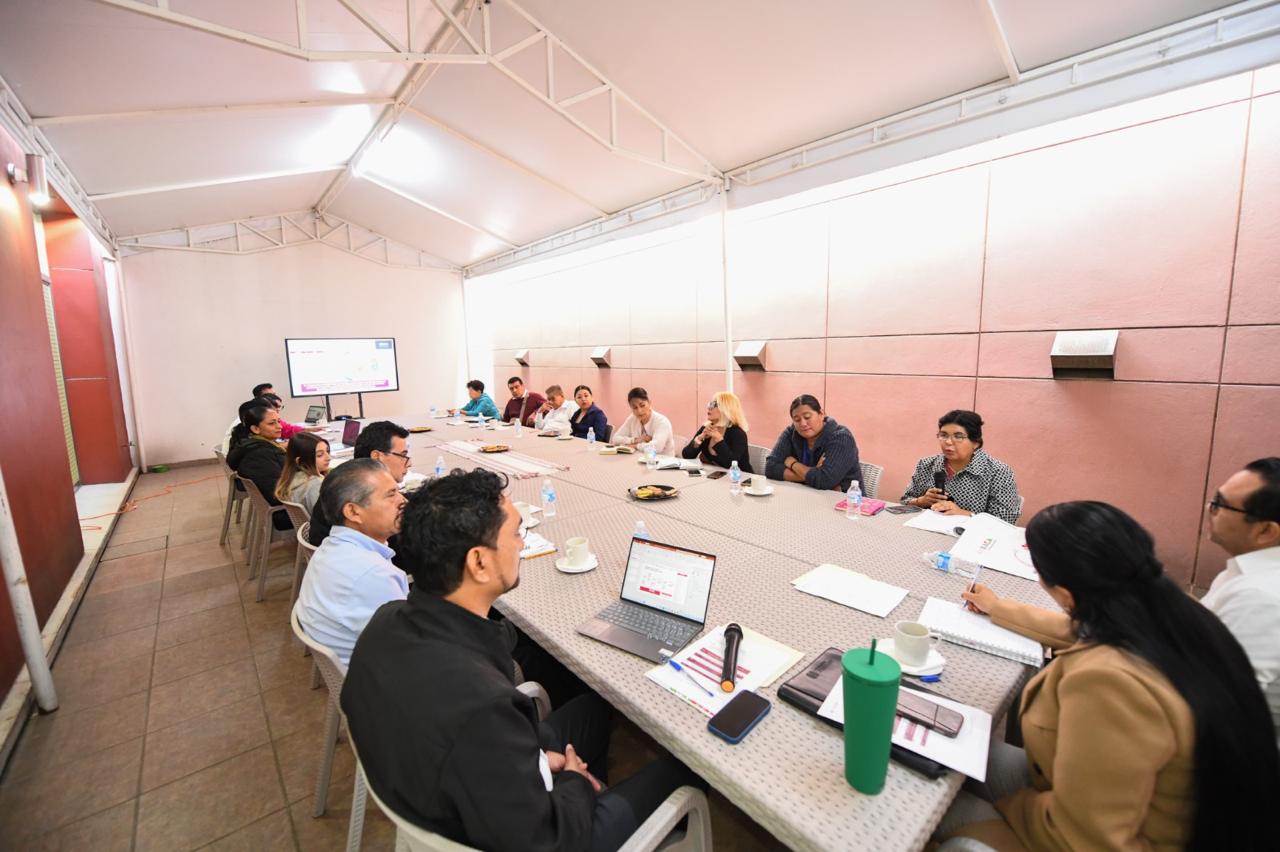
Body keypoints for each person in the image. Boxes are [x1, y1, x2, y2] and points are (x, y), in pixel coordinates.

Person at [341, 469, 705, 850]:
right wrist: (573, 783)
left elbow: (478, 751)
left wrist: (537, 760)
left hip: (468, 784)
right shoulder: (483, 706)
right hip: (544, 832)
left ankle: (597, 799)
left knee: (593, 709)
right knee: (686, 769)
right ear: (479, 562)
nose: (522, 543)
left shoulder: (384, 623)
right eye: (516, 533)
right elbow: (548, 839)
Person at [938, 501, 1279, 851]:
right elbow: (1079, 630)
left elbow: (1085, 837)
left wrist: (1004, 810)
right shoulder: (1170, 612)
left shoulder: (1107, 682)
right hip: (1125, 806)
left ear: (1065, 594)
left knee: (938, 809)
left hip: (1098, 836)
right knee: (955, 752)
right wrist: (998, 608)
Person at [295, 459, 408, 666]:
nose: (403, 501)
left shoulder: (329, 548)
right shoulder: (373, 575)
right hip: (377, 676)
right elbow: (409, 650)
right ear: (353, 512)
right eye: (391, 495)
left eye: (398, 491)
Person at [1202, 457, 1280, 746]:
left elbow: (1216, 704)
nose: (1208, 509)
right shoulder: (1246, 572)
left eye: (1219, 504)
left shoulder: (1262, 597)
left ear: (1266, 531)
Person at [900, 410, 1021, 523]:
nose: (948, 442)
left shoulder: (998, 472)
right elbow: (905, 501)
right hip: (927, 530)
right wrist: (921, 501)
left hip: (972, 535)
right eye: (943, 435)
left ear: (975, 442)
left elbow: (1006, 519)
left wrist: (965, 514)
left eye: (958, 436)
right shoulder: (926, 464)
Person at [309, 421, 412, 546]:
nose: (409, 463)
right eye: (403, 455)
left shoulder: (342, 480)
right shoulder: (364, 501)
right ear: (377, 456)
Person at [764, 394, 859, 491]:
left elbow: (824, 481)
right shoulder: (791, 433)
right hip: (804, 493)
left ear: (821, 414)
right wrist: (812, 473)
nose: (803, 424)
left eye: (807, 417)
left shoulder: (841, 438)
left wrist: (793, 464)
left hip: (846, 498)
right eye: (797, 420)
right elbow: (770, 468)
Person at [226, 403, 292, 530]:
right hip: (286, 513)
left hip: (285, 505)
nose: (279, 426)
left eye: (279, 421)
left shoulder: (253, 445)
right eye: (272, 423)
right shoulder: (259, 455)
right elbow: (278, 494)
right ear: (256, 429)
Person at [680, 392, 751, 472]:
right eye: (710, 404)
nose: (709, 408)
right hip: (715, 475)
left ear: (725, 409)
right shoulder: (707, 427)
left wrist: (719, 440)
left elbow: (730, 464)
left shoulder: (738, 434)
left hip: (740, 477)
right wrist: (699, 439)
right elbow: (687, 456)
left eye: (714, 404)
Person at [276, 432, 330, 516]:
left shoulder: (289, 479)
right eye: (320, 455)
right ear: (300, 461)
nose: (328, 458)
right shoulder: (315, 484)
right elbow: (327, 518)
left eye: (327, 451)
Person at [609, 387, 675, 456]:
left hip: (663, 461)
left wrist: (636, 446)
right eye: (635, 408)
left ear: (649, 403)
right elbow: (615, 439)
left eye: (642, 405)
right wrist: (635, 440)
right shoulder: (633, 418)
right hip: (640, 459)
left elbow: (657, 448)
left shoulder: (662, 421)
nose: (639, 411)